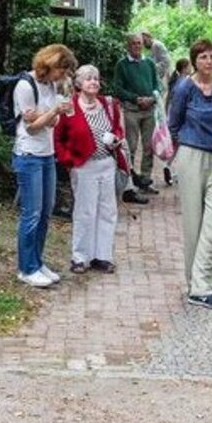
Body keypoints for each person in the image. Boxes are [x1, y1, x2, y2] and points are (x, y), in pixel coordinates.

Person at [168, 40, 212, 308]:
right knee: (194, 222)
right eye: (203, 57)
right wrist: (184, 148)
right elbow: (174, 123)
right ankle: (196, 285)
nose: (209, 61)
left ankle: (204, 284)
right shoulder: (184, 88)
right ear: (194, 60)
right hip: (192, 155)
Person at [11, 44, 74, 287]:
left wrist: (45, 114)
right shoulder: (25, 85)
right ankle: (26, 268)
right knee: (32, 213)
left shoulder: (51, 85)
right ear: (49, 65)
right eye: (61, 70)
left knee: (46, 211)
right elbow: (31, 127)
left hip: (47, 154)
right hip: (29, 154)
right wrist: (50, 113)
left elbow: (51, 122)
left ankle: (37, 261)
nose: (62, 76)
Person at [54, 65, 127, 274]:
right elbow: (58, 138)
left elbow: (117, 128)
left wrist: (116, 139)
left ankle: (102, 256)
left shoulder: (108, 104)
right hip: (83, 166)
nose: (93, 82)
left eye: (96, 78)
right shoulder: (69, 106)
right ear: (78, 83)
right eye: (88, 79)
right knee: (84, 212)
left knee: (107, 211)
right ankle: (80, 257)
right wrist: (68, 160)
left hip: (107, 163)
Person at [109, 32, 162, 199]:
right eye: (133, 43)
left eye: (139, 43)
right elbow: (118, 88)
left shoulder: (149, 63)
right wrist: (135, 99)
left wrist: (152, 98)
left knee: (149, 147)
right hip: (131, 110)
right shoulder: (122, 65)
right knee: (130, 147)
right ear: (128, 46)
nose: (137, 46)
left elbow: (157, 85)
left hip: (149, 110)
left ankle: (145, 180)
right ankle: (129, 183)